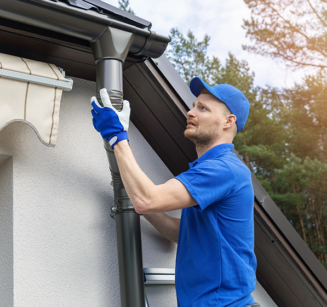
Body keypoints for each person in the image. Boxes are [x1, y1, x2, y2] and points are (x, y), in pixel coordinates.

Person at [91, 76, 258, 307]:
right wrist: (132, 190)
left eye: (203, 108)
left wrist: (116, 136)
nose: (190, 113)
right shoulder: (210, 170)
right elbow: (179, 233)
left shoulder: (223, 169)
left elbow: (147, 200)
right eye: (193, 106)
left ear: (228, 121)